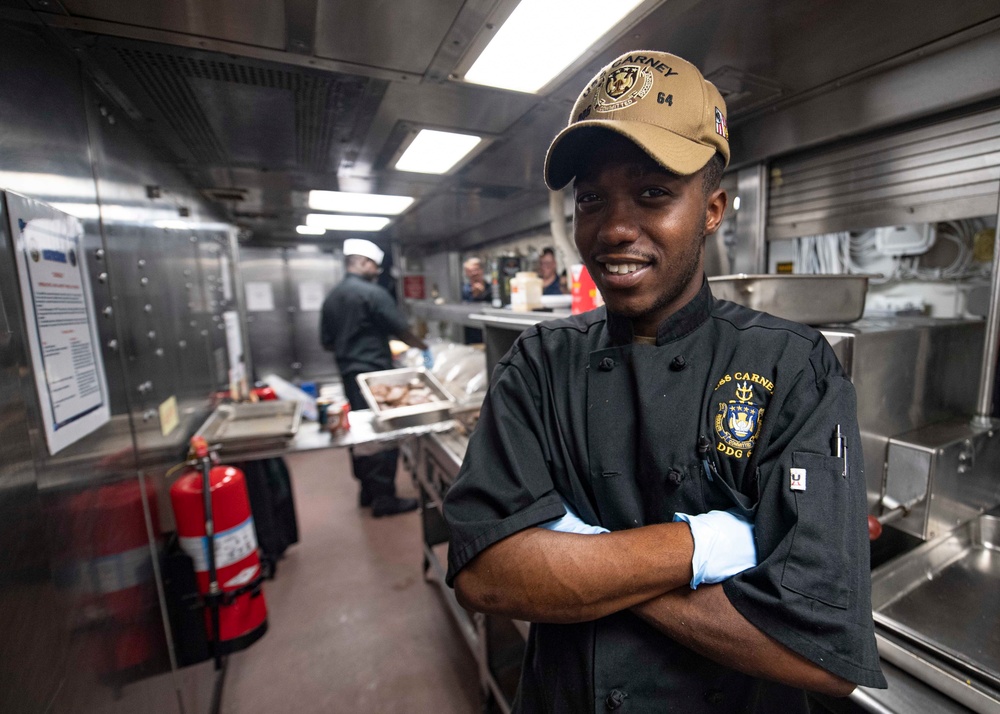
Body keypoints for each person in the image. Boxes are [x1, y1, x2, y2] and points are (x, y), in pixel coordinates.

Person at [443, 50, 885, 712]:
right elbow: (485, 576)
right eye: (590, 199)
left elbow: (820, 652)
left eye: (653, 193)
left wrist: (576, 563)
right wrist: (704, 546)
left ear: (711, 209)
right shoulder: (539, 364)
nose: (614, 228)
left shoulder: (791, 368)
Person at [321, 238, 430, 517]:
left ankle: (367, 491)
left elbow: (327, 342)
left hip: (348, 372)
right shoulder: (373, 293)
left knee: (359, 431)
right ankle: (385, 499)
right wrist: (426, 348)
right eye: (374, 266)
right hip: (375, 375)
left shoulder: (332, 296)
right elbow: (401, 330)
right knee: (382, 433)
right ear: (361, 262)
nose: (377, 272)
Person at [461, 256, 492, 344]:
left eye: (476, 269)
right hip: (471, 333)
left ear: (482, 270)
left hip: (489, 332)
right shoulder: (462, 290)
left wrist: (483, 294)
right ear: (466, 273)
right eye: (470, 270)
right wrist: (474, 296)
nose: (474, 273)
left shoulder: (492, 289)